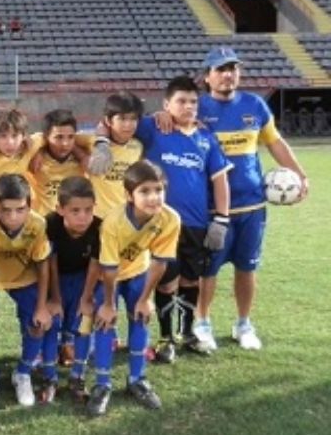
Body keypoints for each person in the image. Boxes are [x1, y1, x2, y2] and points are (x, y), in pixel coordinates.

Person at [156, 47, 309, 350]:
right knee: (207, 271)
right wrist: (163, 114)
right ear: (207, 76)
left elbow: (274, 142)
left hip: (253, 205)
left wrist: (300, 175)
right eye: (220, 69)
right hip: (213, 209)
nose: (228, 74)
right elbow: (172, 118)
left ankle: (243, 324)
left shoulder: (254, 105)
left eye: (233, 68)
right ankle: (202, 323)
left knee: (247, 267)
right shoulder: (197, 108)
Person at [135, 76, 231, 360]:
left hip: (196, 224)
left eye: (192, 101)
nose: (188, 106)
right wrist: (154, 116)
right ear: (167, 103)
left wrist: (221, 220)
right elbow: (112, 122)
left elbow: (219, 180)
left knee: (191, 280)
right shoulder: (154, 129)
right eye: (181, 101)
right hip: (160, 225)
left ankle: (187, 332)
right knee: (166, 281)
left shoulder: (206, 138)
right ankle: (166, 339)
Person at [85, 160, 180, 417]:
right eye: (144, 191)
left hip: (140, 272)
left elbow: (160, 261)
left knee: (140, 318)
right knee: (105, 322)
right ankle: (102, 385)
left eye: (158, 190)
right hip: (111, 277)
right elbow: (109, 267)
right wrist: (107, 304)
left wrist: (146, 299)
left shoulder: (170, 218)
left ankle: (137, 380)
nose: (153, 197)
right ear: (129, 195)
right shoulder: (113, 222)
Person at [0, 174, 52, 407]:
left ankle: (23, 373)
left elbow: (43, 264)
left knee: (37, 323)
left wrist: (42, 306)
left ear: (30, 206)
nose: (13, 217)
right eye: (6, 210)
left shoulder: (38, 224)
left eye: (20, 209)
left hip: (24, 276)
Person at [43, 176, 101, 403]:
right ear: (60, 209)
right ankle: (49, 377)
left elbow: (96, 265)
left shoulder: (99, 228)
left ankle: (77, 376)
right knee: (52, 320)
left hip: (85, 278)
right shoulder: (50, 224)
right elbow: (50, 262)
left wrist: (86, 298)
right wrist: (55, 298)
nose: (83, 217)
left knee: (84, 322)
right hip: (54, 278)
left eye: (88, 210)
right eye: (75, 211)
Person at [31, 109, 84, 216]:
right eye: (59, 137)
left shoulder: (83, 158)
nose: (65, 143)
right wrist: (40, 149)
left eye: (70, 137)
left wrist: (80, 154)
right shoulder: (34, 158)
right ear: (46, 137)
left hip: (73, 224)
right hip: (44, 223)